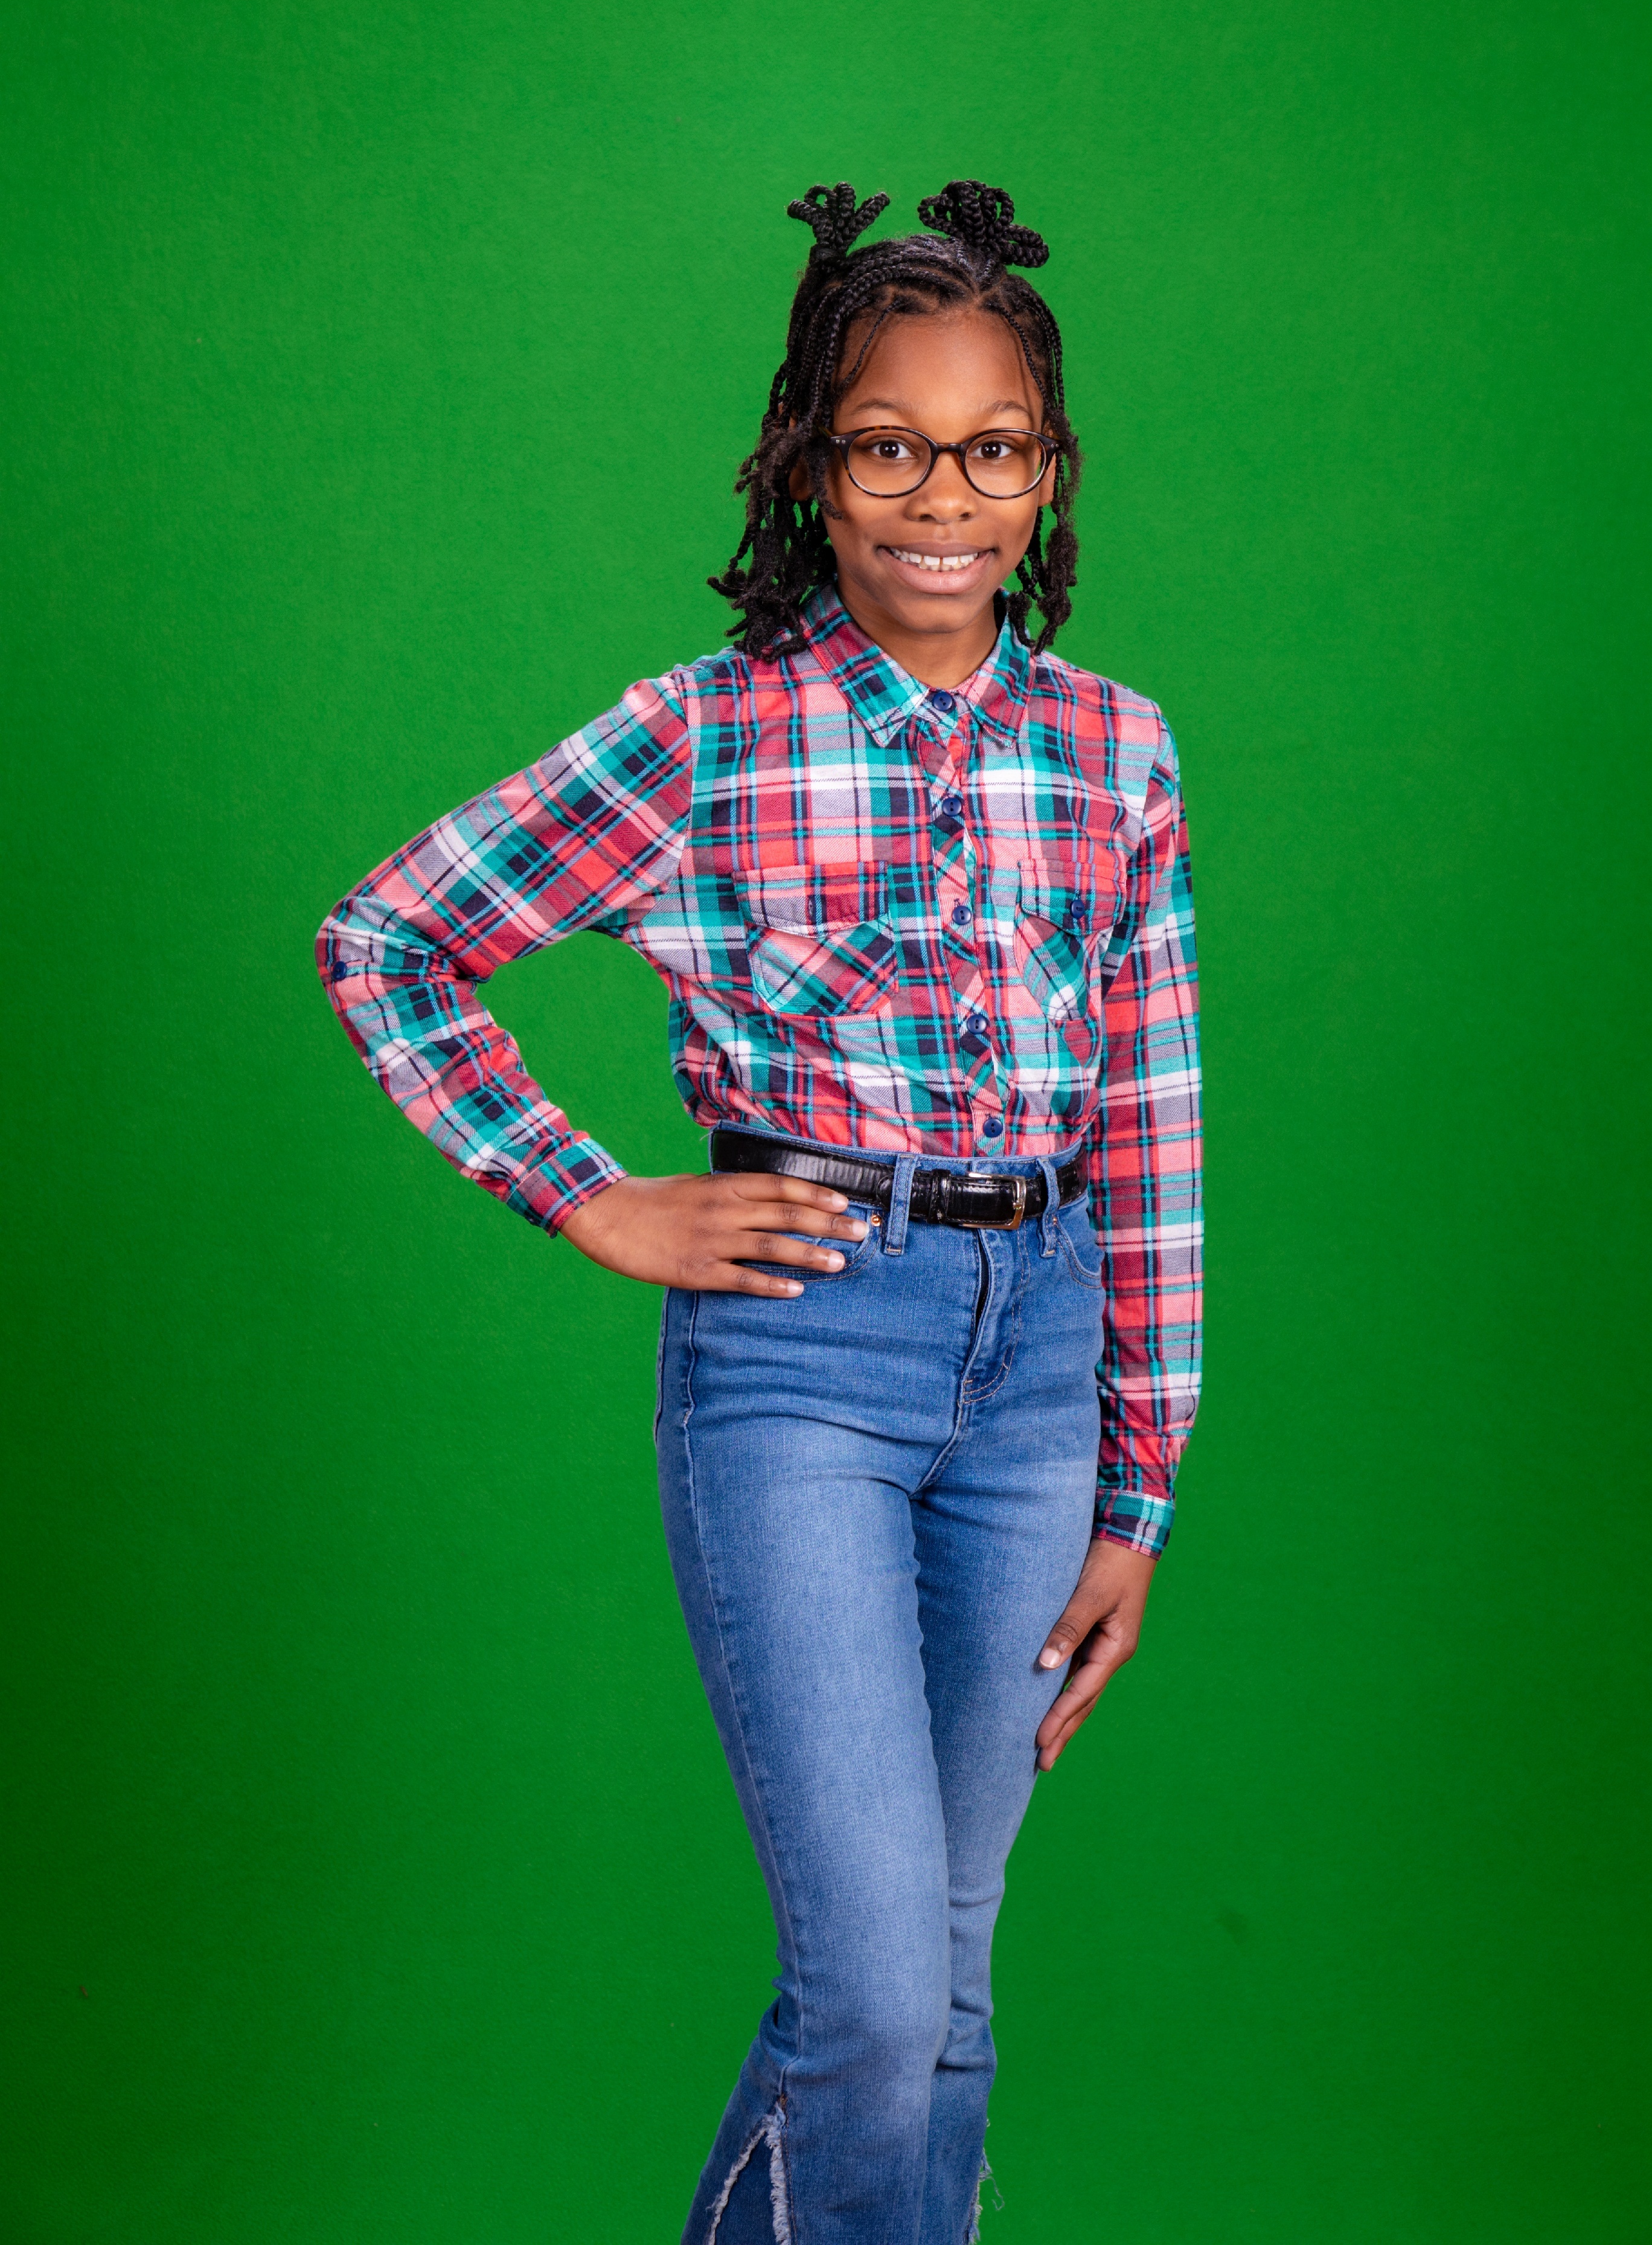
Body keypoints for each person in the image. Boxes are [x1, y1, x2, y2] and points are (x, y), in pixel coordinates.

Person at [316, 178, 1202, 2245]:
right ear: (810, 464)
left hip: (1041, 1364)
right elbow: (390, 940)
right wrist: (588, 1195)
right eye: (888, 446)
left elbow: (1153, 1124)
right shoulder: (706, 734)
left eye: (992, 451)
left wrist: (1138, 1492)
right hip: (803, 1357)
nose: (941, 499)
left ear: (1049, 478)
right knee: (872, 1997)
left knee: (951, 2000)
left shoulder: (1118, 751)